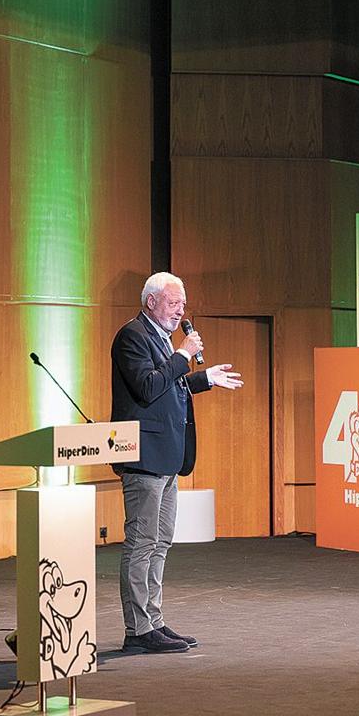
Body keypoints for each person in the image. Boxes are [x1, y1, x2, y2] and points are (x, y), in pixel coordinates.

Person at [111, 272, 243, 653]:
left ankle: (153, 621)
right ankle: (137, 629)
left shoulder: (161, 339)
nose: (180, 311)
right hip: (143, 456)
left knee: (161, 541)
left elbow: (170, 384)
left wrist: (203, 378)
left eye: (183, 304)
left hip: (167, 456)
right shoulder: (131, 337)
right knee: (142, 542)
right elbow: (148, 386)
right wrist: (183, 356)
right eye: (173, 303)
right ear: (151, 302)